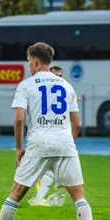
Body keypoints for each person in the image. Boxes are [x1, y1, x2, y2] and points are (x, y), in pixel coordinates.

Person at [0, 42, 101, 220]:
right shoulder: (66, 86)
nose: (29, 66)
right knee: (79, 196)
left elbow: (19, 120)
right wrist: (66, 142)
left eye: (29, 63)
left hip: (38, 143)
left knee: (16, 194)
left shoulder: (26, 85)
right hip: (65, 144)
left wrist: (18, 148)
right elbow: (77, 124)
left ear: (37, 62)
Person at [32, 65, 65, 204]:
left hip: (52, 136)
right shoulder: (49, 92)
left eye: (61, 76)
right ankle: (38, 199)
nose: (59, 78)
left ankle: (38, 198)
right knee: (53, 168)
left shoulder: (62, 91)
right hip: (48, 135)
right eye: (56, 76)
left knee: (50, 168)